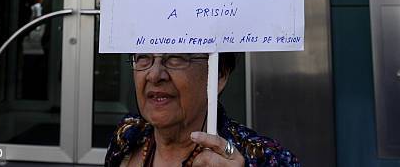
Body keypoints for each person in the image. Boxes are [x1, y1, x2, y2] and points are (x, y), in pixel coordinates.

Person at [104, 52, 300, 166]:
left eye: (175, 57)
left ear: (218, 76)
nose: (154, 75)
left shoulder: (265, 158)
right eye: (143, 57)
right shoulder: (128, 134)